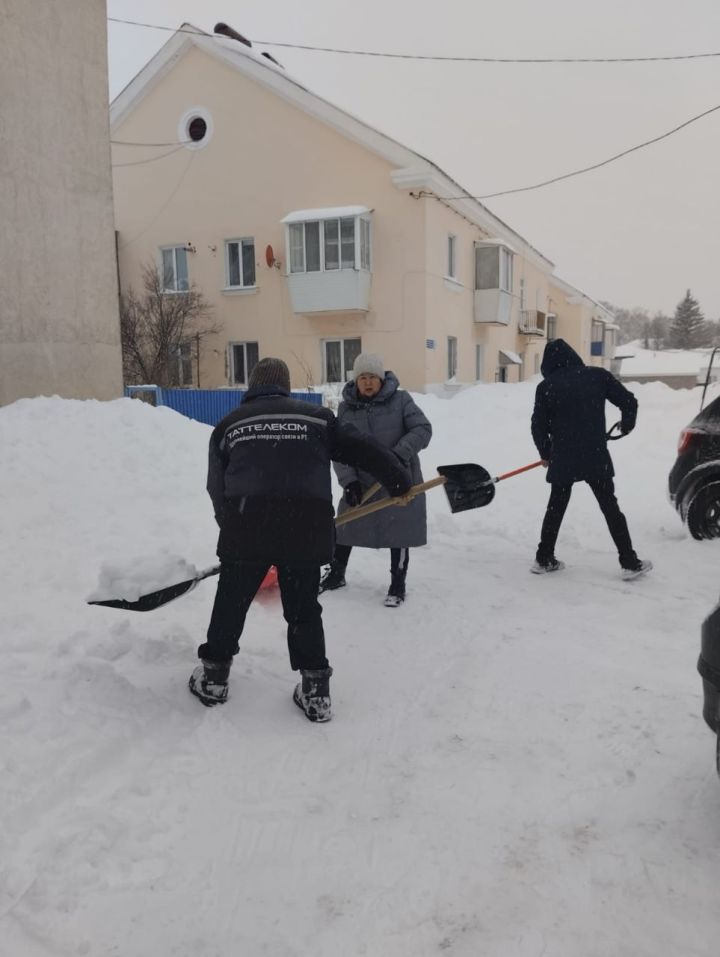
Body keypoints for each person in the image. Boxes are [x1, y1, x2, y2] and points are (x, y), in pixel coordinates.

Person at [189, 357, 412, 719]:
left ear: (252, 386)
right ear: (286, 386)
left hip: (247, 526)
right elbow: (364, 448)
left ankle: (214, 676)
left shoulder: (230, 425)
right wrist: (398, 478)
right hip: (305, 527)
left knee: (231, 602)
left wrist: (229, 524)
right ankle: (315, 690)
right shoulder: (317, 419)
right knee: (304, 609)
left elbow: (217, 485)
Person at [530, 338, 652, 580]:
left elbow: (538, 427)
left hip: (563, 458)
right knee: (610, 507)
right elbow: (629, 402)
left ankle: (544, 559)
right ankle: (629, 562)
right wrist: (626, 426)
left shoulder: (546, 387)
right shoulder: (597, 376)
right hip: (594, 455)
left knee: (555, 507)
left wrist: (546, 453)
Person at [319, 352, 432, 607]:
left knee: (400, 531)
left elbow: (423, 429)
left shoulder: (401, 400)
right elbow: (338, 448)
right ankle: (336, 574)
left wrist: (397, 455)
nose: (368, 382)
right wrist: (349, 482)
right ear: (356, 381)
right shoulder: (347, 408)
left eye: (372, 377)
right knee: (346, 525)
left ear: (381, 379)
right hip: (365, 480)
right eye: (363, 377)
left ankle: (397, 584)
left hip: (399, 478)